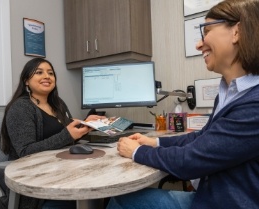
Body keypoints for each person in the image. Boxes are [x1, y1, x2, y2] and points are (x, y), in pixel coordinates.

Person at [106, 0, 259, 209]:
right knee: (119, 199)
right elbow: (202, 138)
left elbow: (190, 161)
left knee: (124, 198)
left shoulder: (254, 105)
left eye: (206, 30)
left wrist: (136, 152)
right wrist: (155, 143)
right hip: (209, 196)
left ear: (237, 31)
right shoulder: (229, 91)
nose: (199, 44)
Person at [0, 58, 104, 209]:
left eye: (51, 73)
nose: (47, 76)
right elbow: (25, 151)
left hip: (62, 172)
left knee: (100, 191)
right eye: (39, 72)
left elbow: (67, 135)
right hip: (36, 181)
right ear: (26, 81)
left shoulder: (57, 104)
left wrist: (86, 125)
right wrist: (68, 135)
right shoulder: (21, 108)